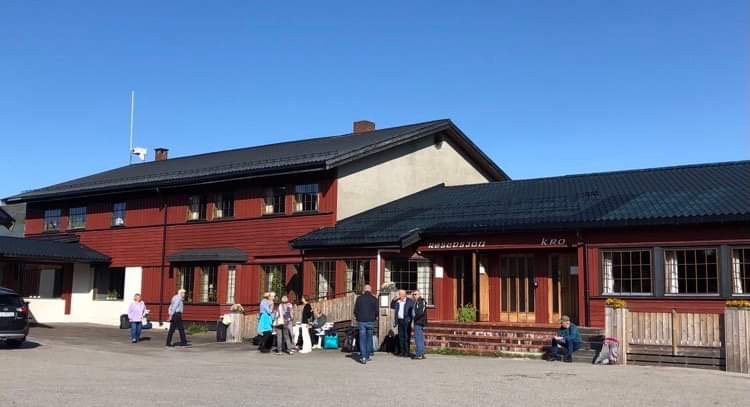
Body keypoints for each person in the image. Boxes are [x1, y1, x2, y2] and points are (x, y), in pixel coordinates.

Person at [353, 284, 378, 364]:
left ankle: (363, 356)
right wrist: (374, 317)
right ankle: (367, 356)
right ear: (370, 290)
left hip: (361, 321)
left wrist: (358, 318)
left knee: (362, 338)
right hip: (370, 321)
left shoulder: (359, 298)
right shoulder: (374, 299)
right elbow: (377, 311)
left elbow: (355, 310)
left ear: (364, 290)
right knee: (369, 338)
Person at [390, 289, 414, 357]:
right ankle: (402, 351)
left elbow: (413, 310)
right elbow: (392, 306)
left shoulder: (409, 301)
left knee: (406, 336)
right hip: (399, 320)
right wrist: (394, 299)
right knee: (400, 336)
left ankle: (407, 352)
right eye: (399, 294)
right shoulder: (398, 301)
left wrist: (411, 320)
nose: (399, 295)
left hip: (407, 321)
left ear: (404, 294)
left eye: (400, 294)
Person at [411, 290, 427, 360]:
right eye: (413, 294)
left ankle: (419, 354)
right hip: (418, 321)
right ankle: (421, 353)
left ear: (419, 294)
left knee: (418, 338)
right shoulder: (416, 301)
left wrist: (414, 319)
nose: (414, 295)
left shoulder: (421, 301)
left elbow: (420, 312)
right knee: (420, 338)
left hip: (419, 322)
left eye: (415, 294)